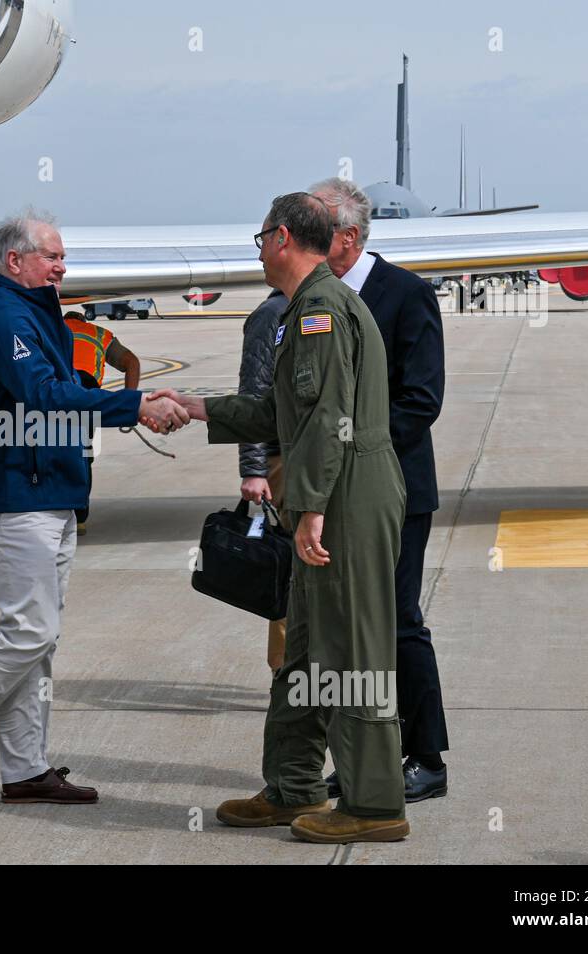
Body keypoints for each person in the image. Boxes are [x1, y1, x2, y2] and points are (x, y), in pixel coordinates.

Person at [0, 209, 188, 810]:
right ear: (14, 261)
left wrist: (129, 400)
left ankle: (26, 770)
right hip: (11, 496)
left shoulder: (41, 315)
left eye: (63, 257)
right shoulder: (3, 316)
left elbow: (69, 392)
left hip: (49, 493)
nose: (63, 266)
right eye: (52, 256)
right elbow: (45, 395)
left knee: (39, 640)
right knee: (28, 629)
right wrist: (135, 406)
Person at [153, 192, 409, 843]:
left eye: (261, 236)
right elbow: (278, 414)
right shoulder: (304, 310)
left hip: (347, 498)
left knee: (351, 655)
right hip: (331, 493)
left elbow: (327, 421)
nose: (259, 248)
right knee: (303, 655)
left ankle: (375, 807)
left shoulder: (322, 312)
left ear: (284, 237)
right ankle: (294, 786)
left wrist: (313, 509)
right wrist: (196, 406)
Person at [309, 177, 448, 803]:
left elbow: (422, 400)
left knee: (397, 623)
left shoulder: (406, 294)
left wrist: (350, 448)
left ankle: (426, 757)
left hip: (394, 490)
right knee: (353, 629)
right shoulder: (317, 297)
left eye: (315, 229)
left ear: (349, 237)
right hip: (336, 493)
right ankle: (373, 755)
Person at [237, 290, 289, 671]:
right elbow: (253, 395)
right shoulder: (272, 314)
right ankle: (286, 673)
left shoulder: (321, 302)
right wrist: (254, 469)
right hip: (281, 458)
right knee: (290, 567)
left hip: (315, 459)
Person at [62, 310, 141, 529]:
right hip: (86, 395)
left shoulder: (50, 328)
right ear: (84, 320)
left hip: (57, 391)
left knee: (49, 448)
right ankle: (79, 518)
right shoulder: (98, 333)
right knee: (84, 454)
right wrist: (128, 401)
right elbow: (131, 362)